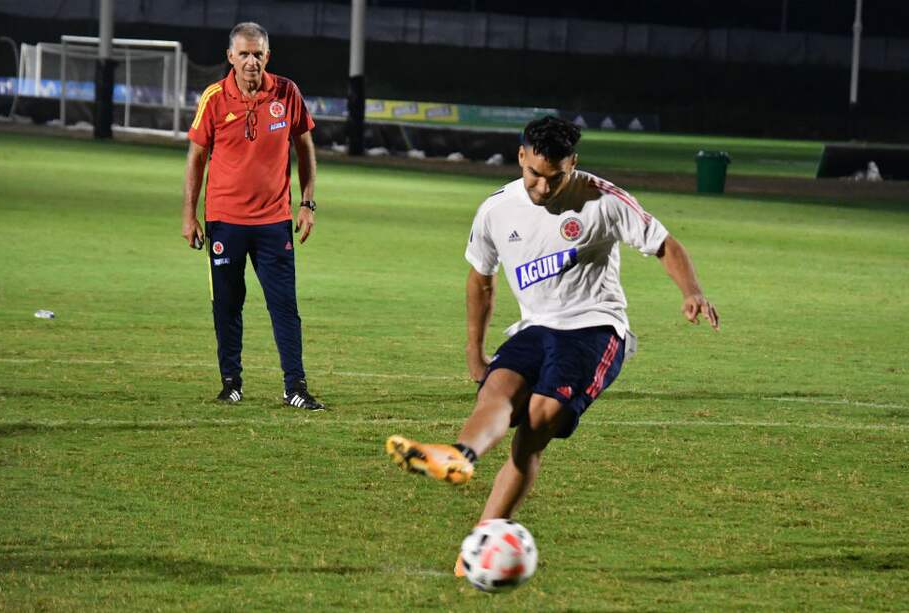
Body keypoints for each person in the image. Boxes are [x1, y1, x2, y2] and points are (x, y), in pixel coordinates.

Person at [385, 116, 718, 574]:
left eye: (555, 177)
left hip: (595, 327)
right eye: (534, 175)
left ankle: (478, 541)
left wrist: (691, 291)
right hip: (534, 328)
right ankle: (458, 457)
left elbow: (665, 245)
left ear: (573, 165)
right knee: (497, 390)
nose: (542, 187)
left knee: (537, 423)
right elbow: (481, 280)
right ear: (521, 156)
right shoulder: (496, 209)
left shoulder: (603, 199)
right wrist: (473, 350)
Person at [182, 22, 324, 410]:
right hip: (224, 220)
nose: (250, 62)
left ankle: (295, 386)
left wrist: (308, 204)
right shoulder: (213, 98)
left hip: (274, 222)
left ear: (267, 56)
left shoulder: (287, 93)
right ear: (230, 57)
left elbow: (305, 149)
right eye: (243, 54)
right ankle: (231, 383)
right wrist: (188, 215)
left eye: (257, 54)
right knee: (227, 306)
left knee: (284, 307)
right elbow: (196, 157)